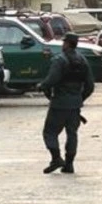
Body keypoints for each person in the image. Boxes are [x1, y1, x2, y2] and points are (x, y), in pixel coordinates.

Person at [37, 32, 94, 174]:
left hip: (59, 104)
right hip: (75, 106)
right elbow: (90, 85)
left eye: (64, 42)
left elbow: (52, 80)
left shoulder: (60, 60)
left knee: (50, 132)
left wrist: (42, 86)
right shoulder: (83, 60)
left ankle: (56, 158)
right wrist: (80, 98)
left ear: (67, 44)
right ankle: (69, 164)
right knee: (72, 133)